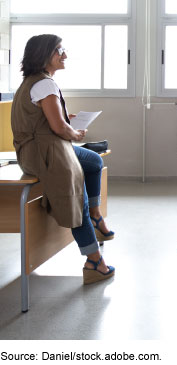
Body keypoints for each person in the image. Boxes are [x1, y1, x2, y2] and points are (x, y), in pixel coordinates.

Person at [11, 34, 115, 285]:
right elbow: (58, 128)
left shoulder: (33, 82)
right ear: (44, 54)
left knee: (93, 162)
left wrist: (64, 119)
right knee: (73, 196)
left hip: (32, 152)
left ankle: (95, 214)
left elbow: (46, 118)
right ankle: (94, 262)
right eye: (59, 50)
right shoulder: (45, 85)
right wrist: (74, 132)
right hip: (45, 152)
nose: (64, 54)